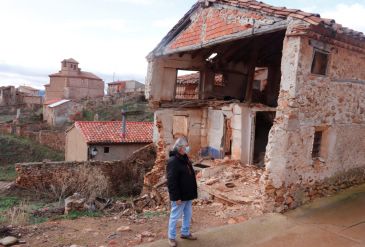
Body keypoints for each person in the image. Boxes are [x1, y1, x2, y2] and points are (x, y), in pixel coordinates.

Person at [167, 136, 198, 247]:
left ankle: (185, 233)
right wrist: (176, 197)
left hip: (188, 194)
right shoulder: (173, 161)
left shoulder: (185, 158)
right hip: (179, 196)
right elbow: (172, 181)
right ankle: (171, 237)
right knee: (175, 216)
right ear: (180, 148)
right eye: (186, 146)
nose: (188, 148)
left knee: (188, 214)